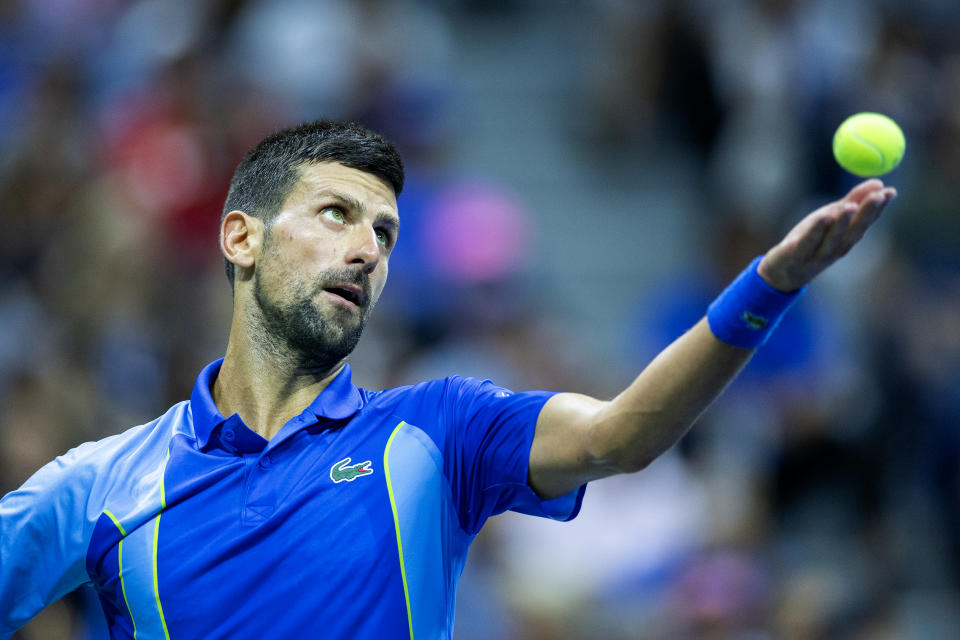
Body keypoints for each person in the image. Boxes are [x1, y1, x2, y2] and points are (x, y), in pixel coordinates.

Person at [0, 120, 895, 639]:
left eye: (385, 234)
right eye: (336, 215)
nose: (366, 249)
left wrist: (766, 288)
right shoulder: (103, 484)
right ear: (242, 238)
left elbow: (624, 434)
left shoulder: (437, 430)